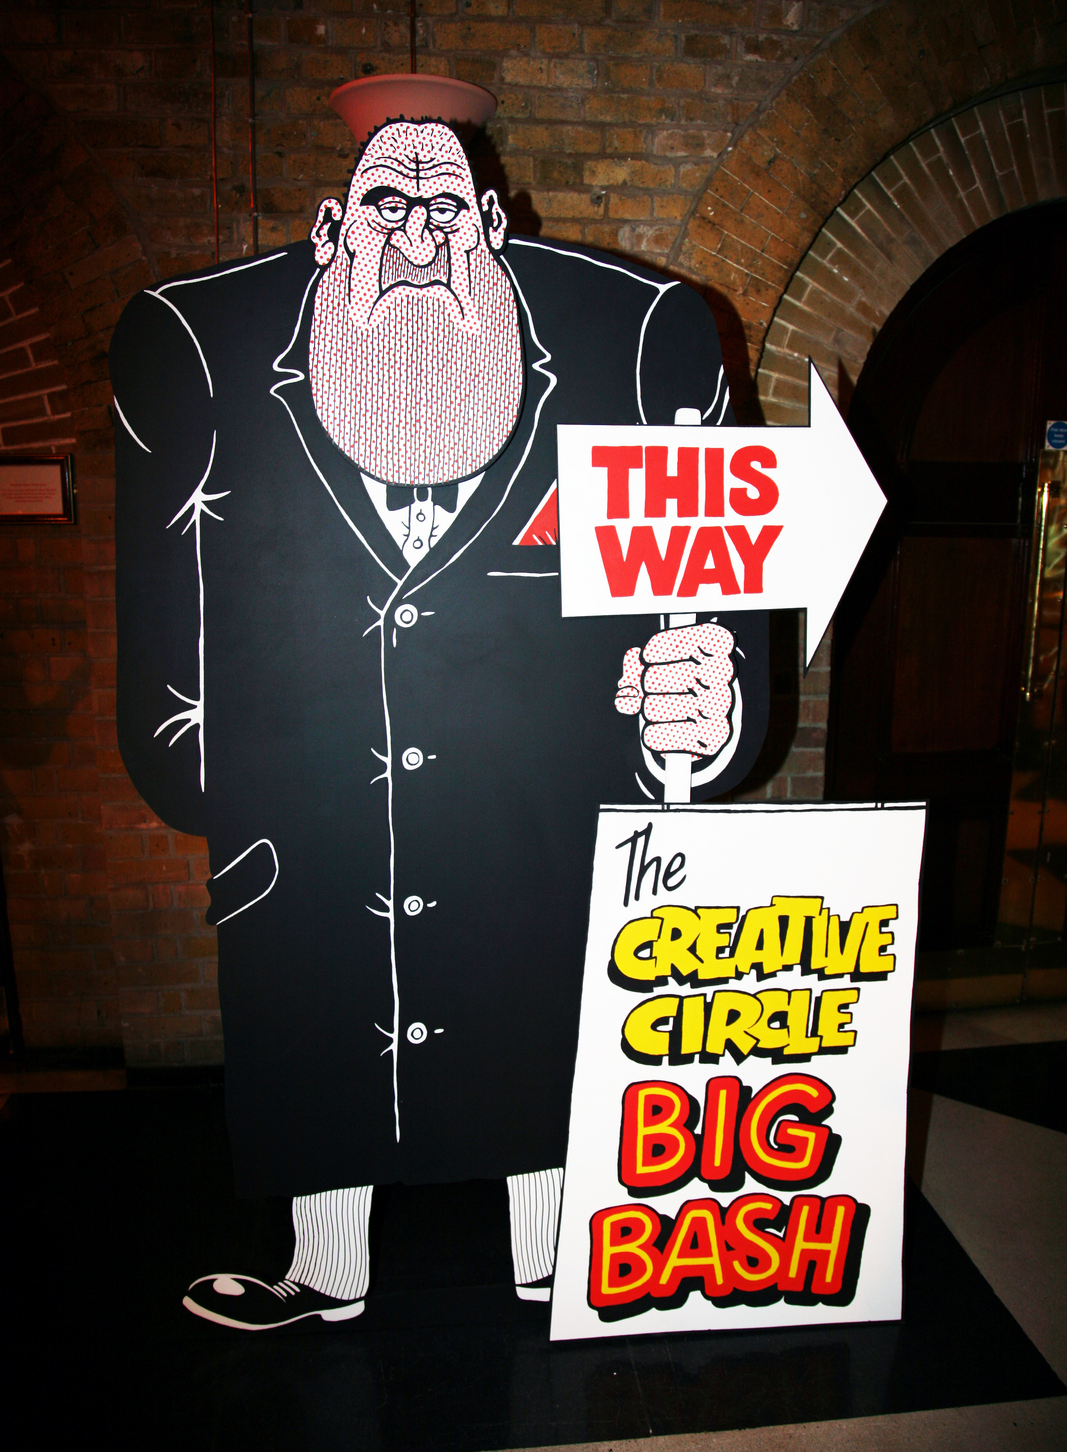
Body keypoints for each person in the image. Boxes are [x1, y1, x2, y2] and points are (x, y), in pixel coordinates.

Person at [110, 107, 769, 1330]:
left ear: (492, 229)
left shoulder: (636, 343)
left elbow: (713, 612)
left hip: (531, 849)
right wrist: (245, 785)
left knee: (536, 1033)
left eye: (445, 212)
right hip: (306, 859)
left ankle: (558, 1257)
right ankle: (322, 1268)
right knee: (313, 1031)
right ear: (329, 231)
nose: (417, 241)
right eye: (386, 208)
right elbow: (167, 661)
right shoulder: (198, 352)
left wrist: (692, 716)